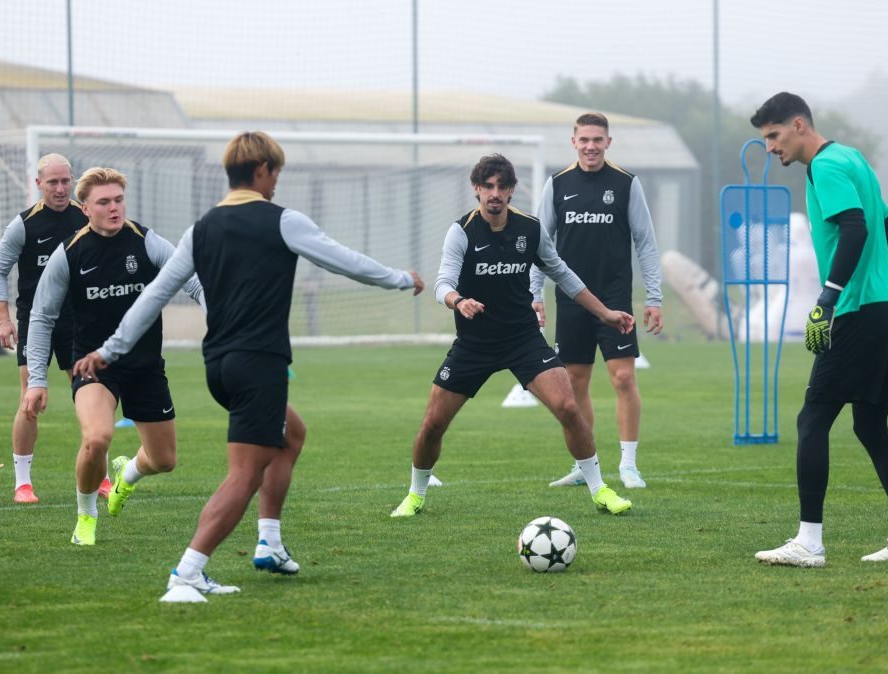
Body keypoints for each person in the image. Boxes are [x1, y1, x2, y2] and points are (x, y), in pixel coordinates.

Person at [73, 131, 424, 596]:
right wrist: (402, 278)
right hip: (259, 364)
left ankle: (270, 544)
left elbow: (155, 296)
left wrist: (110, 349)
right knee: (244, 474)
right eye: (276, 172)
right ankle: (187, 574)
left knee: (291, 434)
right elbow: (345, 262)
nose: (277, 181)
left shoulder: (200, 229)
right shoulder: (282, 220)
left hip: (219, 365)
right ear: (262, 171)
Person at [390, 154, 635, 519]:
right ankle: (416, 494)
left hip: (523, 339)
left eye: (502, 187)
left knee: (568, 407)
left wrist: (605, 313)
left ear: (511, 190)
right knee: (433, 424)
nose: (495, 194)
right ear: (476, 189)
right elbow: (442, 283)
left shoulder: (530, 229)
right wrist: (459, 302)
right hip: (475, 343)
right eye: (488, 186)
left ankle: (600, 490)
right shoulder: (462, 231)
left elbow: (563, 274)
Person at [750, 92, 888, 566]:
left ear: (798, 125)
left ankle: (809, 543)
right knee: (870, 425)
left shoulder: (825, 167)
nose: (770, 147)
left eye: (774, 135)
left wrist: (830, 299)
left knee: (812, 420)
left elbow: (855, 229)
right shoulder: (853, 158)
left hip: (860, 311)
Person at [21, 167, 205, 546]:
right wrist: (37, 380)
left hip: (145, 366)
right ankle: (86, 518)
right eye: (104, 202)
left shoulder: (147, 241)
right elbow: (41, 318)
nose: (114, 207)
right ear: (85, 208)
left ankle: (127, 476)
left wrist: (219, 315)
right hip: (92, 366)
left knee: (164, 460)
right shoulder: (68, 254)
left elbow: (193, 279)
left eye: (118, 199)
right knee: (97, 438)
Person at [530, 112, 664, 490]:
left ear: (608, 142)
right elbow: (541, 244)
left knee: (623, 377)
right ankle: (585, 464)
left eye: (597, 140)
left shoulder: (625, 184)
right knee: (573, 385)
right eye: (584, 140)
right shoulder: (556, 184)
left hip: (615, 298)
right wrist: (534, 293)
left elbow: (646, 243)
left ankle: (629, 465)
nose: (591, 146)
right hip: (571, 300)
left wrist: (654, 296)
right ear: (574, 142)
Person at [0, 154, 113, 503]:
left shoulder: (86, 217)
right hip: (36, 321)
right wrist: (3, 318)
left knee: (94, 393)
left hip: (80, 320)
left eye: (65, 181)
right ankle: (22, 484)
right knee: (30, 399)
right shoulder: (24, 225)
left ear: (73, 181)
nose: (60, 189)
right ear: (38, 183)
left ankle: (99, 476)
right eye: (52, 182)